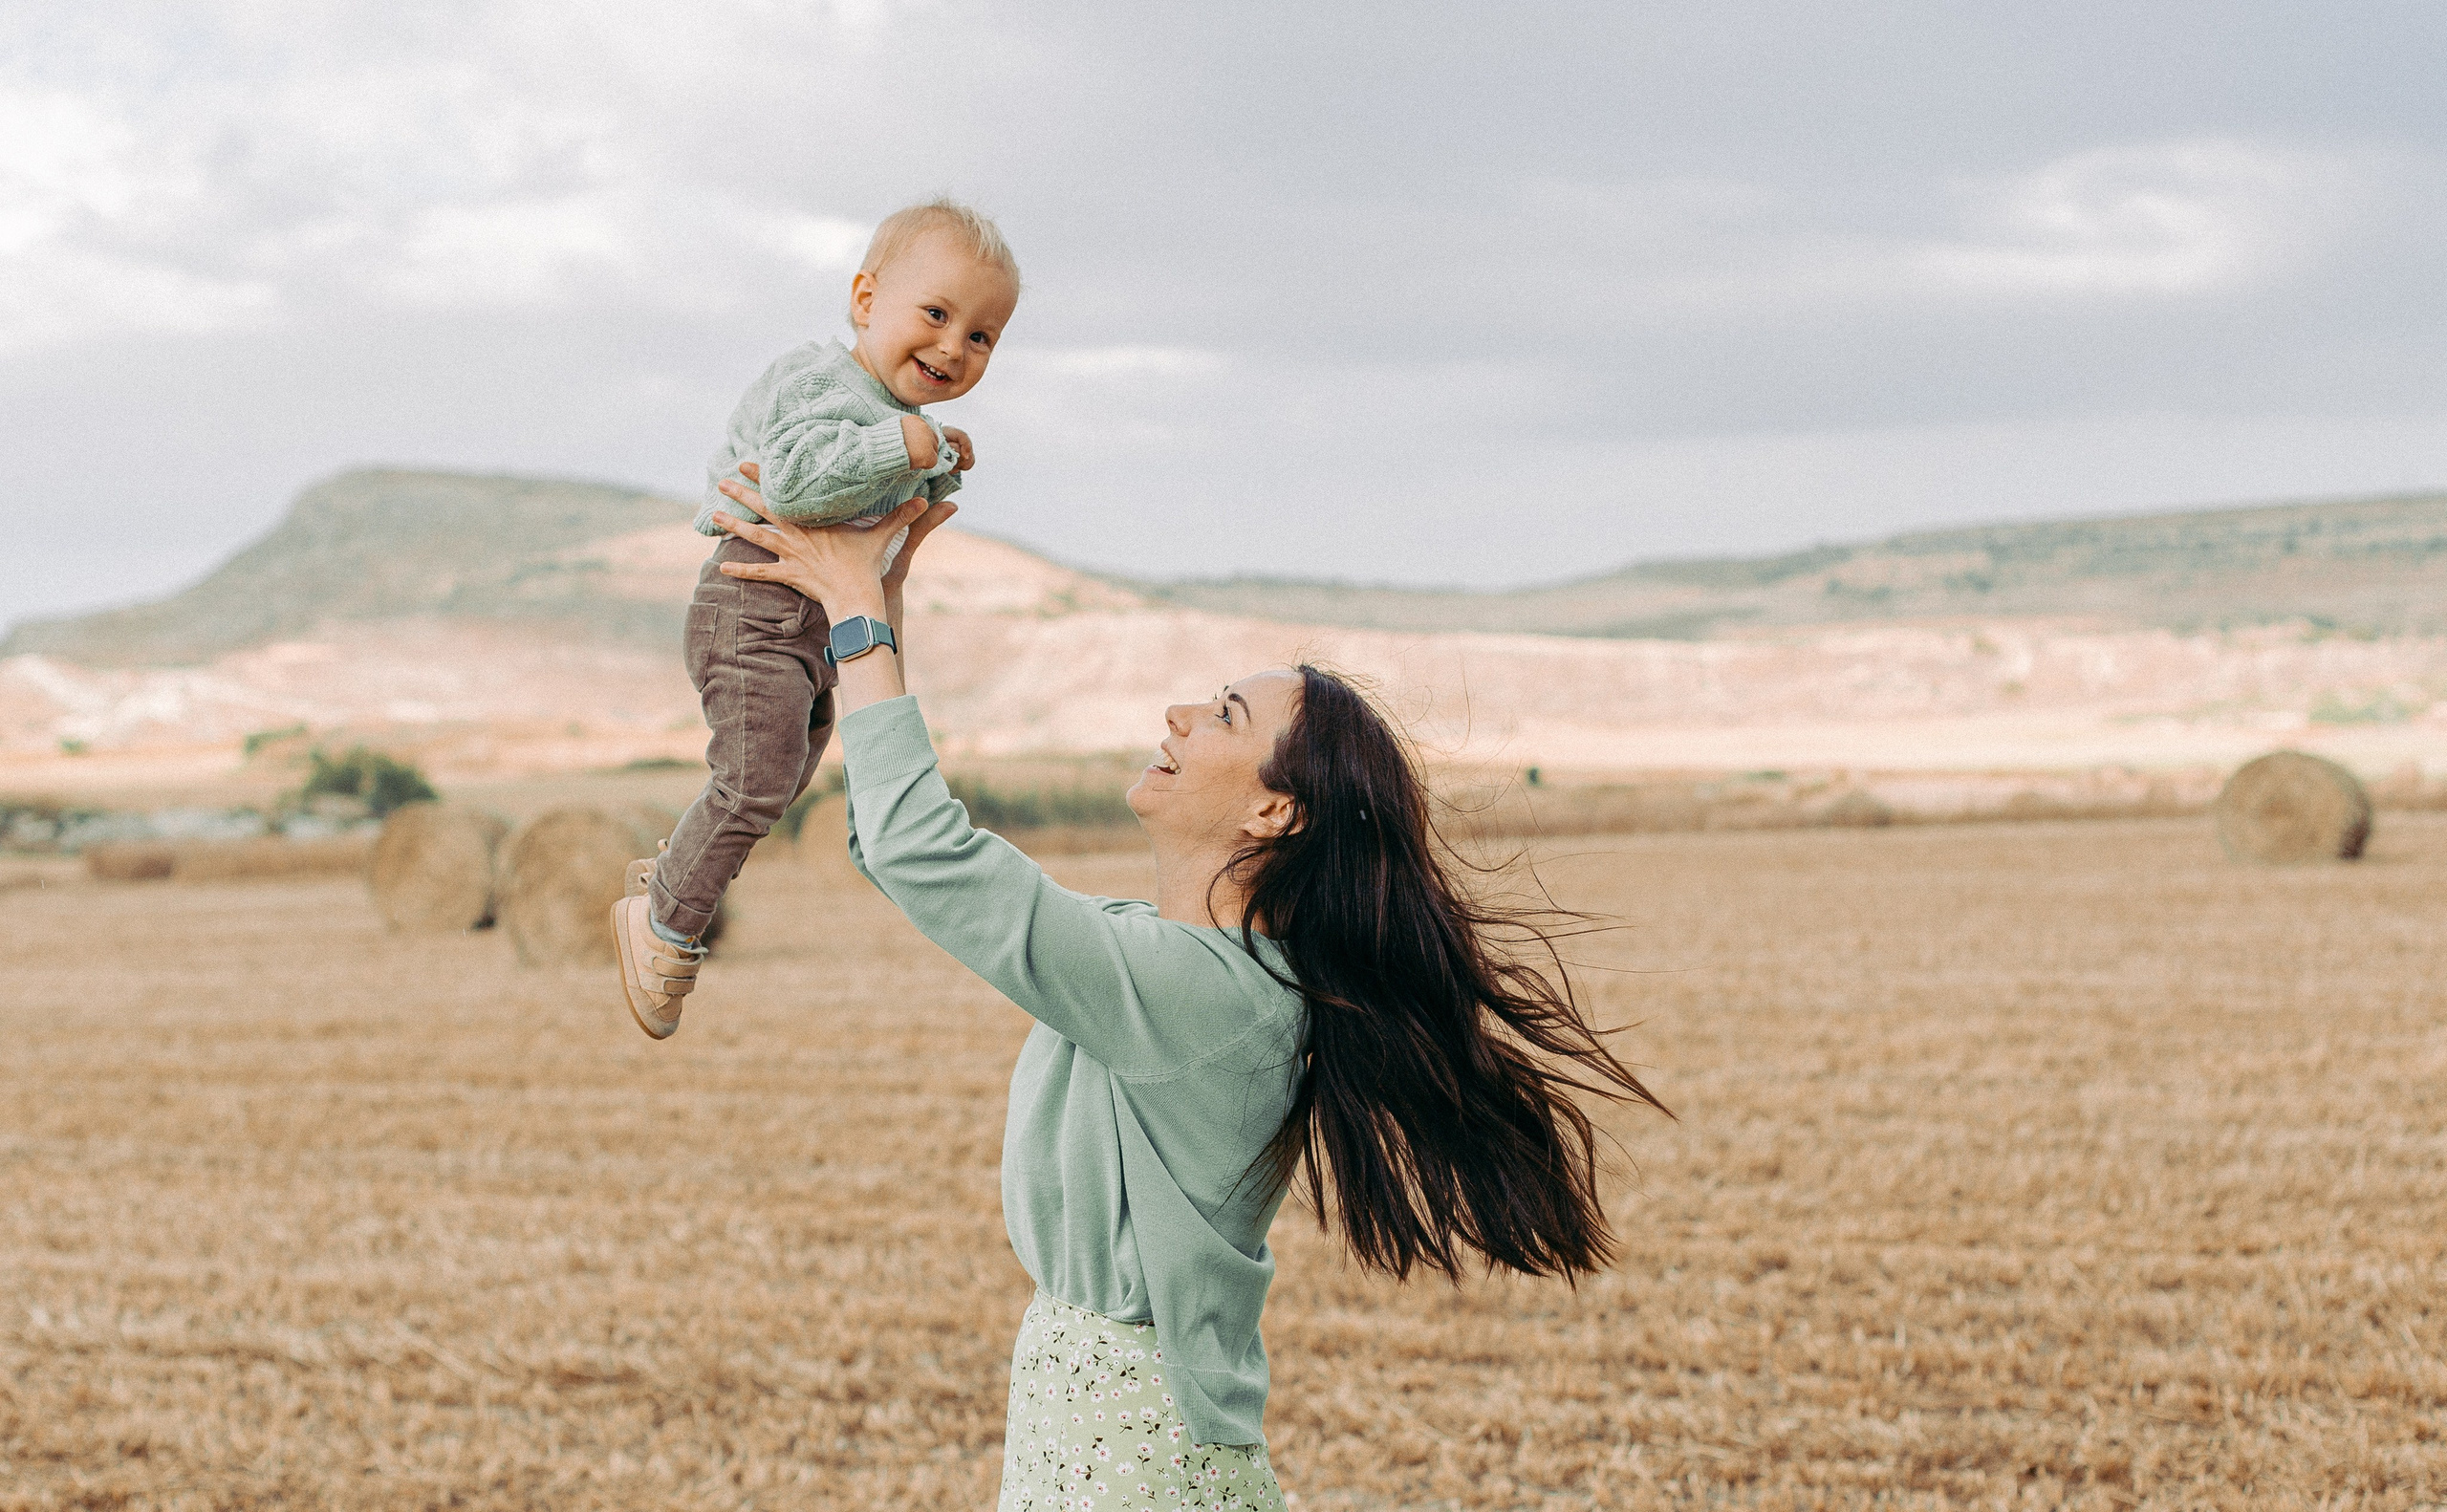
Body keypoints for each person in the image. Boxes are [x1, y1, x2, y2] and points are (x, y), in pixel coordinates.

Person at [698, 470, 1667, 1509]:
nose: (1178, 715)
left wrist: (858, 615)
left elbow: (926, 856)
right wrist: (874, 596)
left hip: (1132, 1452)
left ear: (1274, 815)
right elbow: (897, 843)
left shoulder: (1199, 998)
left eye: (1222, 714)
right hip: (1101, 1428)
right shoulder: (1167, 962)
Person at [613, 199, 1024, 1038]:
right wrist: (908, 447)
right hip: (753, 603)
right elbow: (797, 483)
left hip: (813, 622)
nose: (954, 346)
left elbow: (882, 511)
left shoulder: (885, 410)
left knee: (788, 768)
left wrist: (938, 463)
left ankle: (676, 867)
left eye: (981, 336)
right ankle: (663, 921)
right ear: (866, 299)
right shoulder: (819, 382)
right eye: (937, 314)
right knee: (757, 775)